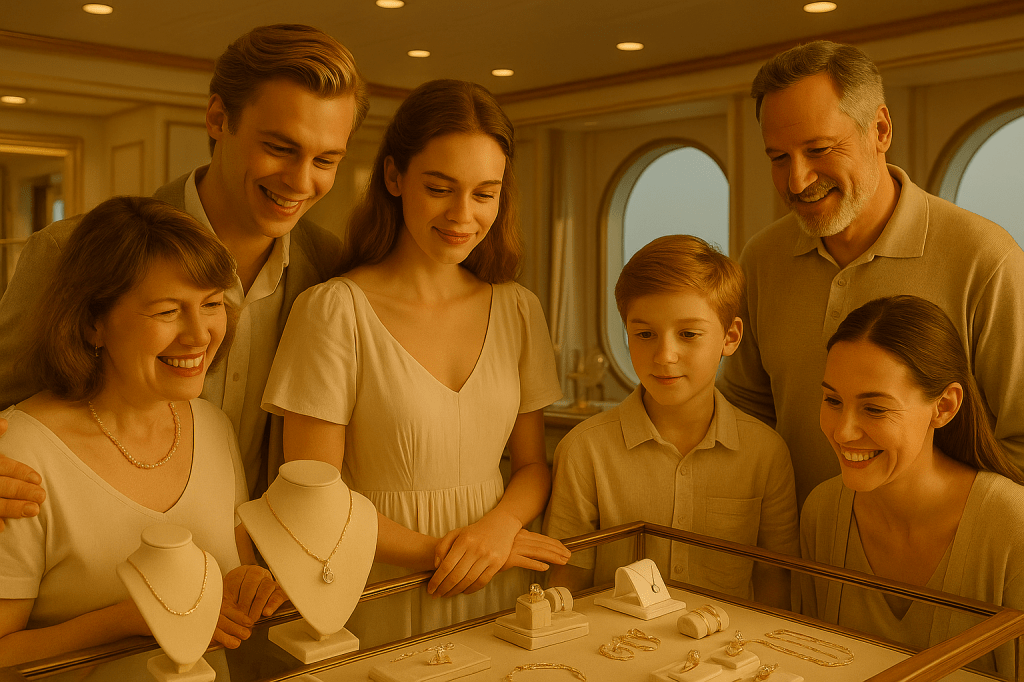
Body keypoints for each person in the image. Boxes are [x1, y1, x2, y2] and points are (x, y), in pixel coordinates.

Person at [0, 23, 368, 526]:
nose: (301, 181)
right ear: (218, 119)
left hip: (256, 563)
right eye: (280, 148)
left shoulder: (332, 269)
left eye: (325, 160)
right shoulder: (69, 252)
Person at [261, 79, 570, 642]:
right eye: (440, 188)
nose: (462, 215)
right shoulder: (334, 311)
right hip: (378, 578)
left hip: (495, 575)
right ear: (394, 177)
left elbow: (532, 465)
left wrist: (497, 530)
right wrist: (444, 555)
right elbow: (315, 494)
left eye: (485, 194)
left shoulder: (519, 308)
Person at [717, 40, 1024, 507]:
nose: (797, 180)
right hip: (797, 543)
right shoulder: (762, 258)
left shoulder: (986, 258)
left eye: (819, 149)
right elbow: (748, 416)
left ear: (880, 130)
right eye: (778, 158)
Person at [0, 197, 286, 667]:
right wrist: (127, 621)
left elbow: (231, 574)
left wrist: (246, 585)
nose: (200, 335)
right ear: (92, 323)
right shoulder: (21, 456)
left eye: (211, 304)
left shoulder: (212, 427)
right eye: (168, 311)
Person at [543, 235, 799, 607]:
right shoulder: (585, 450)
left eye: (688, 334)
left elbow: (774, 582)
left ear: (730, 337)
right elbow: (568, 582)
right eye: (644, 334)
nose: (664, 355)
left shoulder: (766, 453)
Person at [800, 295, 1024, 679]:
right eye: (833, 400)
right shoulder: (822, 511)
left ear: (945, 406)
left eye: (875, 408)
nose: (843, 432)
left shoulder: (1013, 526)